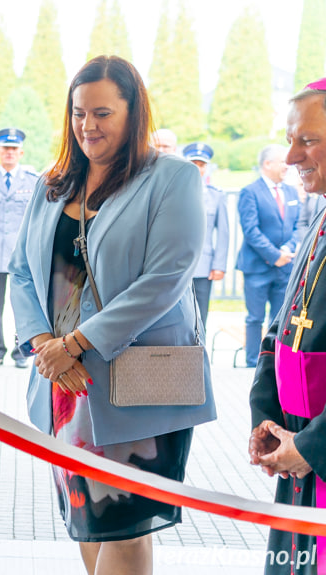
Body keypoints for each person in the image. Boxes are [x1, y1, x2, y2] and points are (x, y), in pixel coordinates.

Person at [9, 55, 216, 575]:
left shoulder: (172, 179)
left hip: (137, 387)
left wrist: (75, 343)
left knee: (126, 527)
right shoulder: (52, 183)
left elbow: (166, 278)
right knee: (86, 517)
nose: (87, 126)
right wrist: (45, 347)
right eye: (79, 113)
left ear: (133, 111)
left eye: (102, 113)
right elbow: (19, 274)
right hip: (63, 383)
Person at [248, 78, 326, 575]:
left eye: (309, 140)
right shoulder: (318, 215)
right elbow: (282, 328)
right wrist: (266, 416)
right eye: (291, 139)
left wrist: (313, 445)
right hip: (297, 449)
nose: (292, 156)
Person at [0, 128, 40, 369]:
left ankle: (21, 350)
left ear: (21, 152)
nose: (10, 153)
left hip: (22, 256)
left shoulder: (33, 182)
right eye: (5, 150)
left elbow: (36, 222)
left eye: (14, 149)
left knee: (22, 305)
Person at [237, 144, 300, 368]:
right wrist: (274, 255)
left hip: (285, 268)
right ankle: (253, 362)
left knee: (280, 319)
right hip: (257, 268)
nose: (288, 165)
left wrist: (287, 249)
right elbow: (251, 230)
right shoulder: (250, 192)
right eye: (283, 161)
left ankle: (273, 361)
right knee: (255, 318)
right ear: (267, 164)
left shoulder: (292, 192)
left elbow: (297, 226)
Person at [182, 142, 229, 327]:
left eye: (201, 165)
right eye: (193, 163)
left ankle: (200, 354)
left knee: (200, 316)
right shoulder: (172, 192)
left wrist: (219, 265)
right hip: (175, 265)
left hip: (203, 266)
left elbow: (223, 232)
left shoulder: (216, 196)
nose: (197, 168)